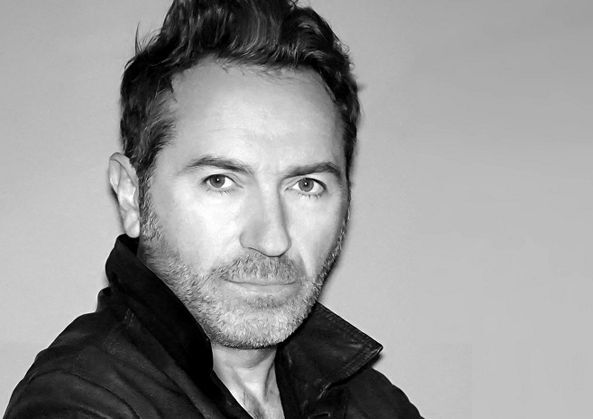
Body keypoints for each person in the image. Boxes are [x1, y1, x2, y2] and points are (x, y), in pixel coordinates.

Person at [4, 0, 421, 417]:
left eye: (306, 185)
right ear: (131, 195)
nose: (272, 239)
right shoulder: (77, 404)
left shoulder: (375, 403)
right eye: (220, 181)